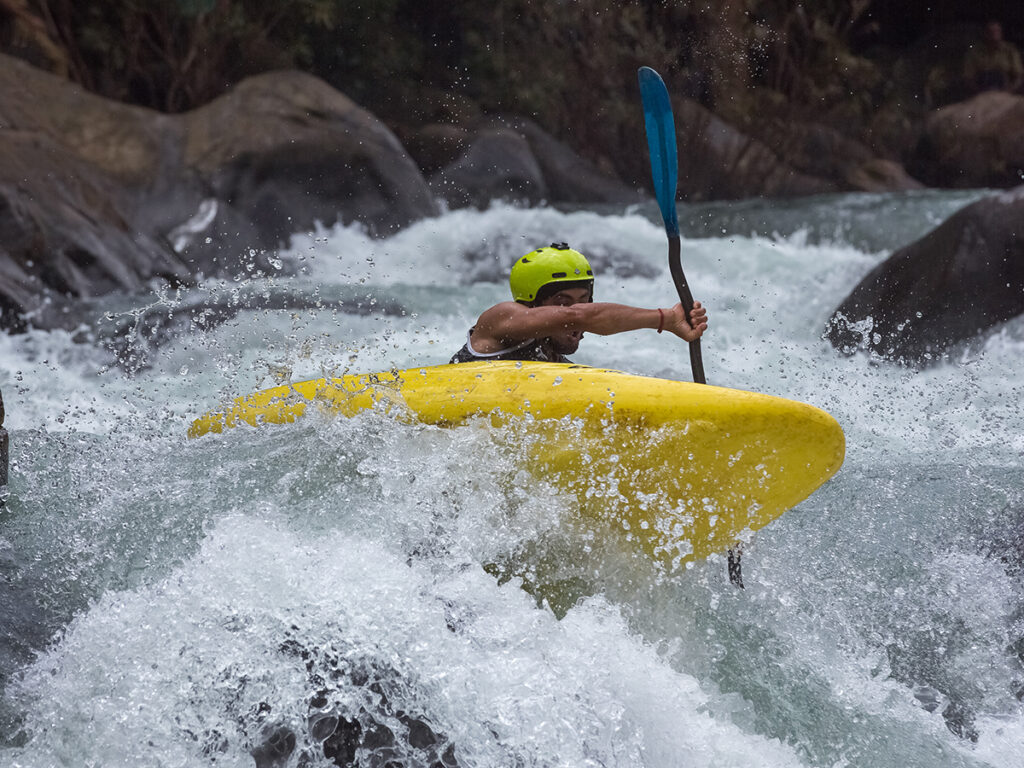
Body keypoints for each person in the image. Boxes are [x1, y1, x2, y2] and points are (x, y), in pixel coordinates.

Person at [450, 243, 708, 365]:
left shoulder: (558, 366)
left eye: (585, 300)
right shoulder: (502, 318)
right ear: (531, 304)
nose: (575, 315)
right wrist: (665, 318)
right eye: (562, 302)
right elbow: (578, 317)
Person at [963, 21, 1024, 95]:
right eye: (990, 31)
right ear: (985, 33)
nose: (994, 34)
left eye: (996, 31)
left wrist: (1009, 91)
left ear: (1001, 33)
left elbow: (1019, 76)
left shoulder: (1010, 50)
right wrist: (978, 92)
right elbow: (968, 77)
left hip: (1006, 91)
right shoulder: (975, 52)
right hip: (981, 92)